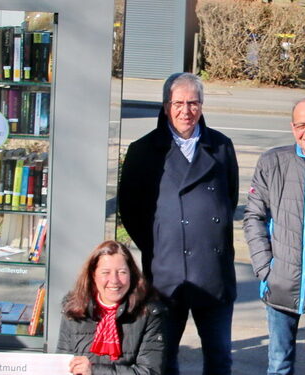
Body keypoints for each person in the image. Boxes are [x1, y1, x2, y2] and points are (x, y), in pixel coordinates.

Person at [117, 72, 238, 375]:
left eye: (194, 103)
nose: (186, 111)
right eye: (179, 103)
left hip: (213, 275)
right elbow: (130, 209)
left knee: (220, 358)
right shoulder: (143, 150)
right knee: (163, 359)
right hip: (166, 277)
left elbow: (229, 200)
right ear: (166, 106)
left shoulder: (222, 147)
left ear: (202, 105)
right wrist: (162, 244)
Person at [243, 97, 305, 375]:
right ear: (292, 127)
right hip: (280, 284)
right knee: (279, 364)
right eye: (301, 125)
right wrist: (265, 269)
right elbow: (254, 217)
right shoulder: (273, 162)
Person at [57, 241, 167, 375]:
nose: (114, 280)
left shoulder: (149, 313)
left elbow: (150, 371)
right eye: (105, 272)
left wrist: (95, 371)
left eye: (122, 272)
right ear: (93, 275)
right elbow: (62, 364)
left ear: (131, 275)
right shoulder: (74, 308)